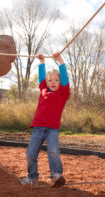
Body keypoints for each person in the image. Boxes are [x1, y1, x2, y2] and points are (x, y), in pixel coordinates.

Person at [21, 52, 70, 187]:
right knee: (30, 153)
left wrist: (60, 60)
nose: (53, 82)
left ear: (61, 82)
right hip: (37, 128)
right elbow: (41, 77)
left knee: (53, 151)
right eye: (50, 80)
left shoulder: (62, 93)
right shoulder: (43, 89)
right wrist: (41, 62)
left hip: (52, 129)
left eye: (56, 80)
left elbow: (65, 77)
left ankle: (56, 176)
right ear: (46, 82)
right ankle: (32, 178)